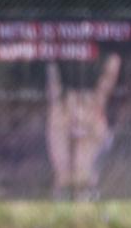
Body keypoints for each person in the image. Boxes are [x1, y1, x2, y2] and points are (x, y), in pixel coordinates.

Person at [46, 53, 121, 199]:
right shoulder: (59, 117)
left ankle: (81, 189)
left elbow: (108, 78)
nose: (77, 115)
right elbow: (54, 94)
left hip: (94, 149)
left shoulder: (97, 113)